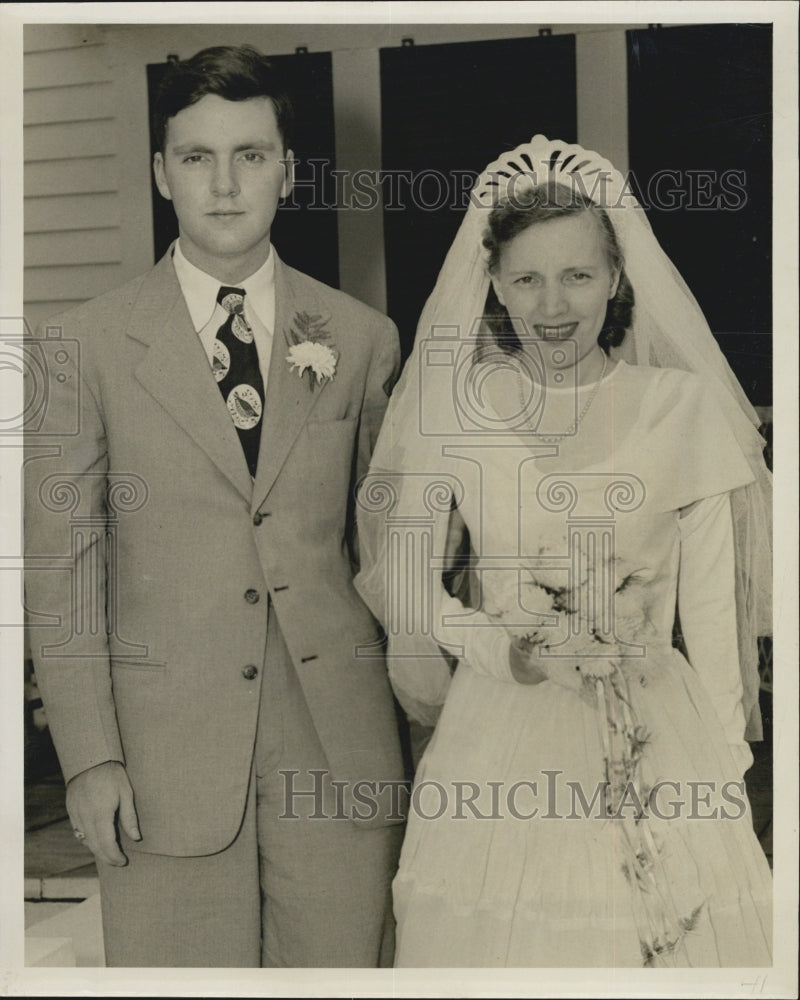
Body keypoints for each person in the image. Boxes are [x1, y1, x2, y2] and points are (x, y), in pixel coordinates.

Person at [24, 45, 405, 968]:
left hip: (339, 759)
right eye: (197, 157)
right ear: (161, 173)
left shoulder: (358, 338)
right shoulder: (83, 347)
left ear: (288, 169)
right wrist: (89, 758)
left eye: (250, 154)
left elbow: (395, 558)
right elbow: (63, 570)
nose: (225, 184)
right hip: (162, 765)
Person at [355, 136, 773, 967]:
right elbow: (402, 579)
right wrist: (503, 650)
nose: (553, 304)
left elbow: (714, 608)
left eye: (578, 275)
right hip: (500, 730)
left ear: (617, 278)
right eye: (527, 278)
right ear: (495, 285)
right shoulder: (460, 410)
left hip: (660, 726)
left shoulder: (678, 406)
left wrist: (723, 760)